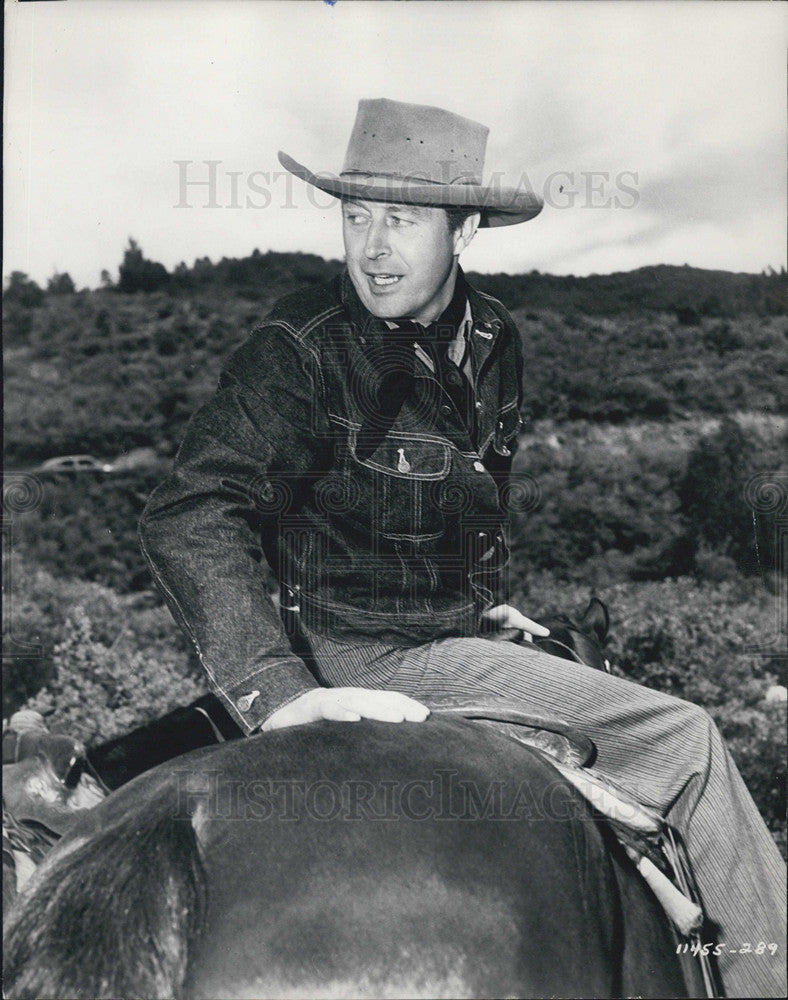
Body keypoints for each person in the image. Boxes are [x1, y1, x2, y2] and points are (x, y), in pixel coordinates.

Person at [139, 98, 785, 997]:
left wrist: (478, 600)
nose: (371, 247)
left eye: (401, 220)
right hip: (364, 654)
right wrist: (279, 696)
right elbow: (190, 509)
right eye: (356, 216)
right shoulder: (298, 348)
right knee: (688, 741)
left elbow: (462, 497)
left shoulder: (493, 337)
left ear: (466, 230)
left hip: (447, 628)